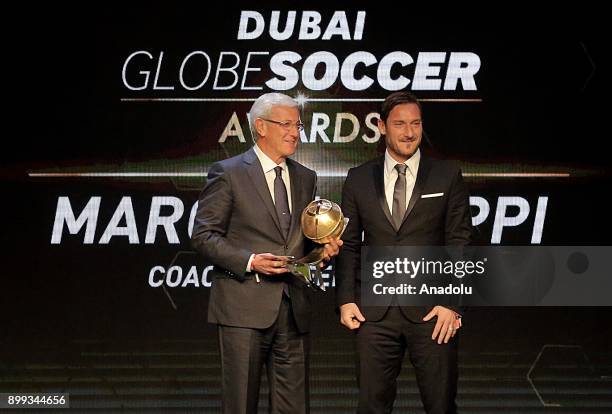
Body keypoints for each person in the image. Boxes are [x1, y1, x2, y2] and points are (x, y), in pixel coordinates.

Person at [191, 92, 341, 414]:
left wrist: (322, 250)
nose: (294, 132)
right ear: (261, 126)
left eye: (298, 125)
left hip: (293, 309)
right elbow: (203, 235)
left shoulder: (305, 177)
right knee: (241, 404)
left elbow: (301, 242)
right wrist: (250, 261)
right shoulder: (228, 172)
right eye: (285, 124)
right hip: (243, 309)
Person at [335, 91, 472, 413]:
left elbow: (459, 241)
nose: (409, 132)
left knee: (440, 405)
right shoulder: (358, 178)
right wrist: (346, 299)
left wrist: (451, 304)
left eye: (416, 123)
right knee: (371, 406)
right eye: (399, 124)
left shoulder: (447, 175)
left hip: (432, 312)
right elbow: (349, 244)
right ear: (382, 126)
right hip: (374, 313)